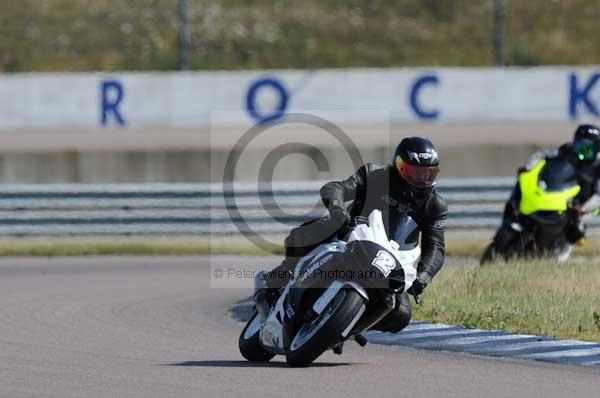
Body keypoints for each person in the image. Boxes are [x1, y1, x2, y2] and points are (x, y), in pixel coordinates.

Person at [254, 136, 448, 333]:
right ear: (399, 167)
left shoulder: (435, 206)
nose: (421, 179)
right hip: (351, 238)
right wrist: (337, 208)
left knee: (401, 314)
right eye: (415, 173)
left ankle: (347, 326)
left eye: (428, 174)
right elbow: (336, 188)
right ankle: (275, 280)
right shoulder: (375, 175)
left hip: (389, 261)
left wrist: (425, 275)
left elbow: (436, 247)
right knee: (314, 232)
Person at [497, 124, 600, 254]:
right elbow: (543, 155)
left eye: (586, 148)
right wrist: (529, 166)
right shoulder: (566, 151)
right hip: (560, 194)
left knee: (576, 232)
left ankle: (559, 257)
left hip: (585, 204)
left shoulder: (597, 167)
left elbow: (598, 196)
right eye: (578, 144)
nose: (580, 151)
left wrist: (584, 208)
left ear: (596, 148)